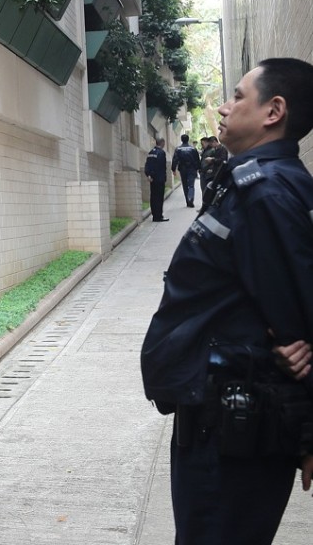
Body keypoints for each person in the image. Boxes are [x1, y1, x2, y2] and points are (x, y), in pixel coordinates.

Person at [141, 58, 313, 545]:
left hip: (235, 431)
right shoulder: (250, 183)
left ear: (273, 111)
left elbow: (297, 308)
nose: (223, 106)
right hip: (218, 421)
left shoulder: (267, 192)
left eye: (238, 96)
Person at [171, 133, 201, 207]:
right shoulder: (193, 149)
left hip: (183, 168)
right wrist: (198, 168)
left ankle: (187, 201)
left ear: (181, 140)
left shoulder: (178, 149)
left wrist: (173, 169)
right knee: (191, 185)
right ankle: (191, 199)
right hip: (191, 168)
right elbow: (197, 159)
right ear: (188, 139)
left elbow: (175, 159)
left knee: (185, 185)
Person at [144, 137, 169, 222]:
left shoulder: (151, 152)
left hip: (152, 179)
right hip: (159, 178)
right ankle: (159, 216)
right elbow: (160, 166)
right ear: (162, 143)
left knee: (153, 197)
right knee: (159, 198)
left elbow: (148, 164)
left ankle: (154, 215)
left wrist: (149, 175)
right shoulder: (161, 153)